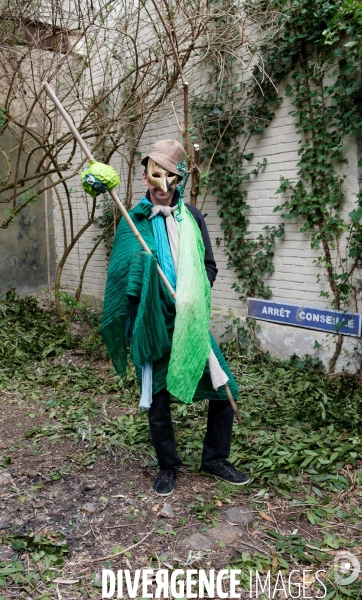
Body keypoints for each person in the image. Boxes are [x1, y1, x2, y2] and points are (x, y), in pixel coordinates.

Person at [101, 139, 249, 496]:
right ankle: (168, 466)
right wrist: (146, 275)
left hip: (189, 318)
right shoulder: (131, 221)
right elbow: (120, 275)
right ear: (144, 176)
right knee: (157, 399)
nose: (163, 186)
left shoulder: (192, 217)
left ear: (180, 180)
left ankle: (214, 459)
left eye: (171, 178)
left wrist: (194, 294)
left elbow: (208, 266)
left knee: (223, 387)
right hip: (151, 319)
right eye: (156, 176)